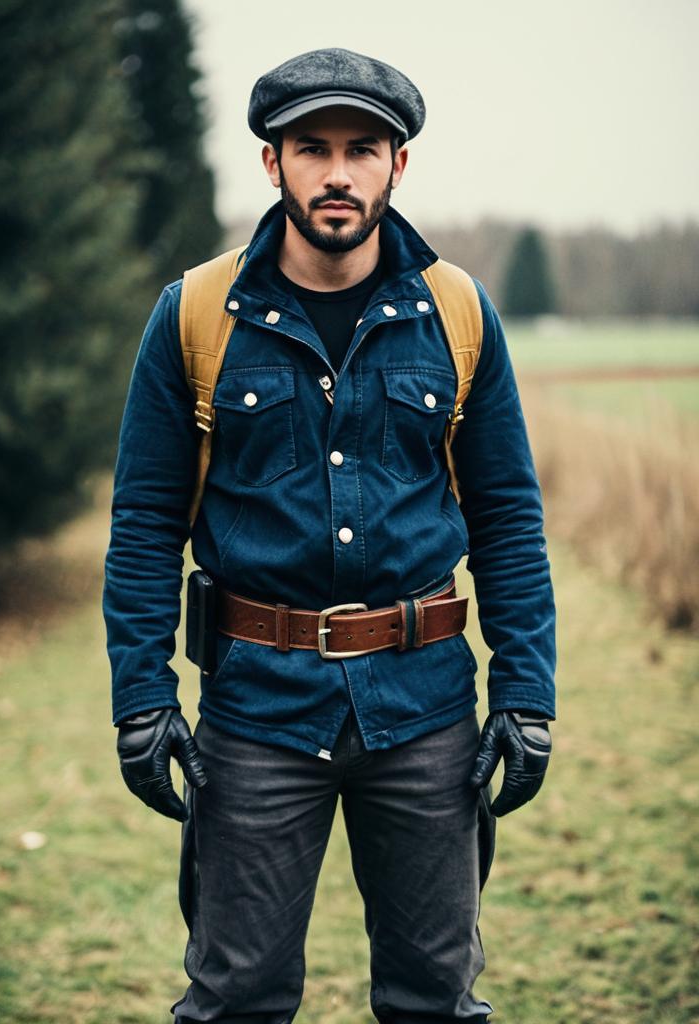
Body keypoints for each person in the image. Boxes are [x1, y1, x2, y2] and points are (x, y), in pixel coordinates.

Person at [103, 47, 556, 1024]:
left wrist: (527, 693)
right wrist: (141, 695)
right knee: (237, 998)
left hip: (427, 714)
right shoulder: (194, 314)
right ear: (273, 163)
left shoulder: (457, 313)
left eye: (364, 148)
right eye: (313, 147)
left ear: (400, 165)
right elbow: (143, 521)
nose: (339, 173)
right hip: (257, 713)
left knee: (435, 997)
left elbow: (508, 515)